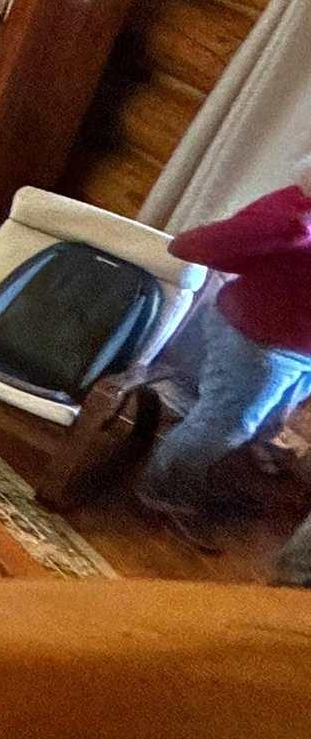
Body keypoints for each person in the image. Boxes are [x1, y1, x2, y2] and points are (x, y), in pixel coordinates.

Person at [138, 153, 311, 531]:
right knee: (225, 426)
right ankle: (163, 495)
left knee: (264, 424)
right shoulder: (292, 218)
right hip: (259, 342)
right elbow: (188, 246)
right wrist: (283, 238)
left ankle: (199, 476)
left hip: (298, 351)